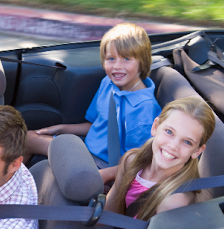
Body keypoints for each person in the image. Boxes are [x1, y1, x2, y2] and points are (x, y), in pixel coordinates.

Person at [24, 23, 161, 182]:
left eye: (126, 59)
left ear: (142, 62)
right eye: (111, 58)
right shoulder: (108, 83)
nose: (117, 66)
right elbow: (97, 125)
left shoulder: (144, 109)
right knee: (27, 138)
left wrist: (102, 177)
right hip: (86, 150)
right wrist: (62, 128)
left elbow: (138, 162)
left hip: (104, 166)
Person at [103, 96, 216, 229]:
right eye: (169, 132)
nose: (173, 146)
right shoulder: (131, 160)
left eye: (187, 142)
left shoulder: (174, 201)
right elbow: (110, 211)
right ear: (155, 126)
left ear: (197, 151)